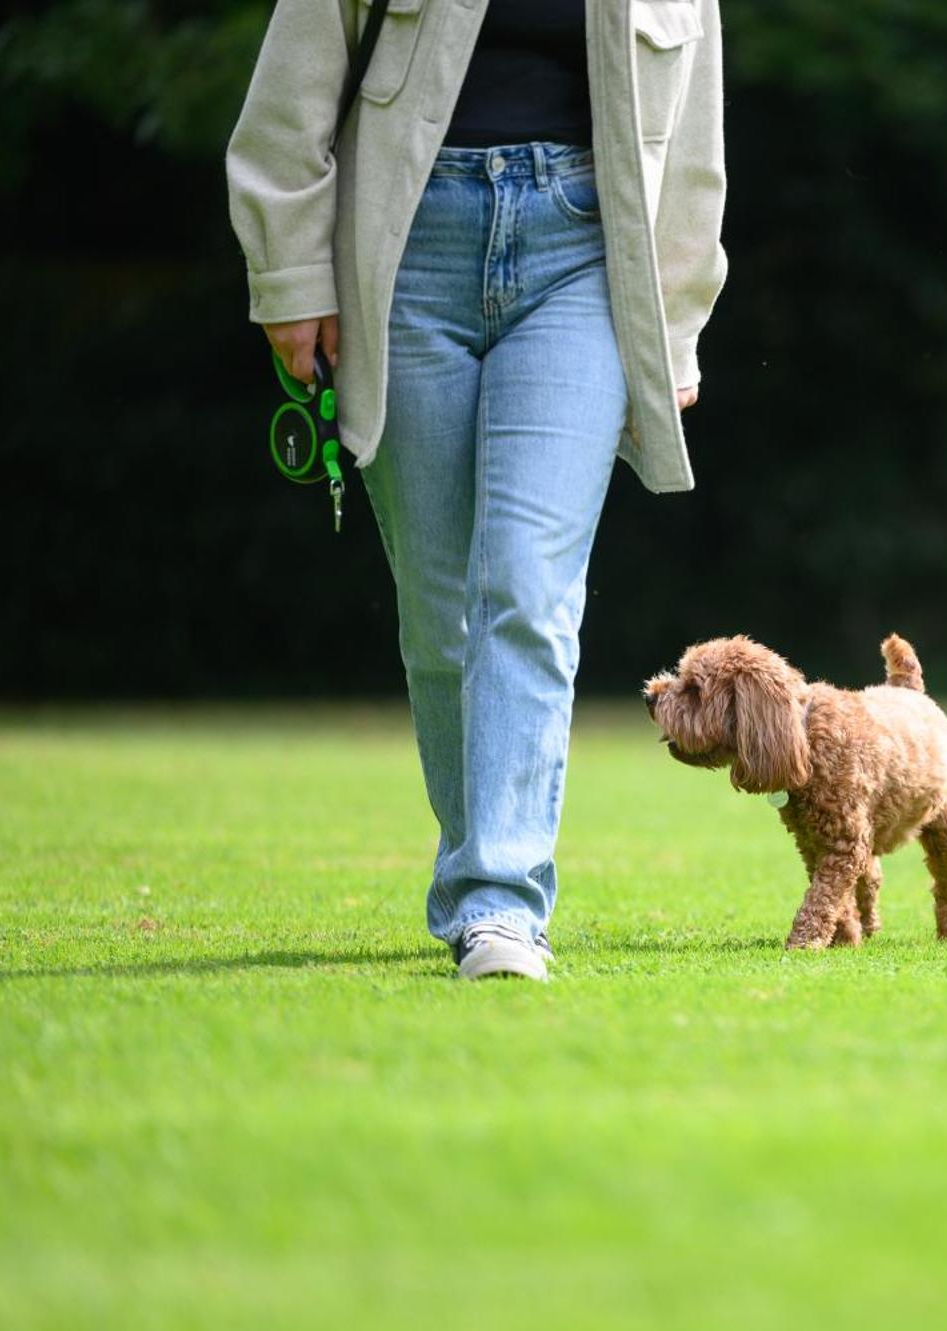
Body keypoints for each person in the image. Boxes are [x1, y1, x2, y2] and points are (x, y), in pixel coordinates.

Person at [226, 0, 728, 981]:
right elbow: (297, 73)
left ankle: (500, 904)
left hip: (586, 251)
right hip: (406, 248)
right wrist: (291, 272)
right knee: (440, 606)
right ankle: (476, 884)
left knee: (528, 584)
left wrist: (674, 319)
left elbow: (694, 129)